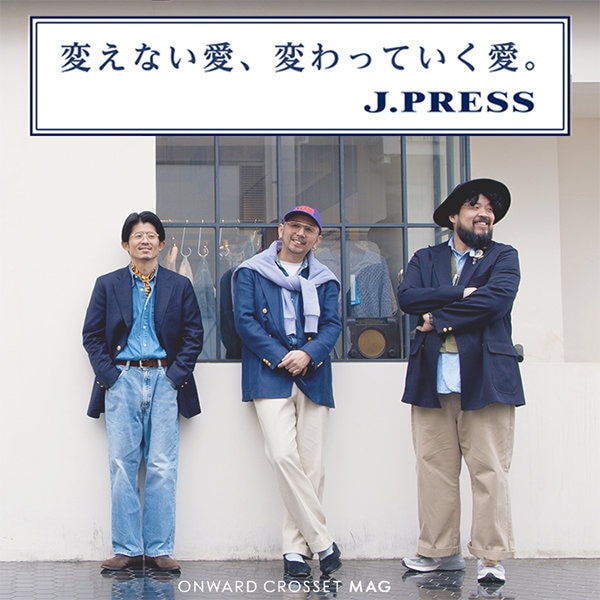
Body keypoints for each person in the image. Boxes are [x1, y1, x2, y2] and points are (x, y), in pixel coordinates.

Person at [397, 179, 525, 585]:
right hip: (431, 381)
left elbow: (495, 301)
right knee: (433, 469)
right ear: (454, 215)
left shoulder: (504, 256)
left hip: (487, 379)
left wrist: (438, 317)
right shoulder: (425, 257)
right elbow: (407, 298)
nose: (484, 213)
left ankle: (490, 556)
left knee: (489, 471)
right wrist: (462, 292)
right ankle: (438, 551)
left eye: (490, 208)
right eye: (475, 206)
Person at [82, 211, 204, 573]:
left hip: (165, 380)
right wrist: (111, 377)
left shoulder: (179, 285)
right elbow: (91, 335)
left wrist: (174, 376)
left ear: (161, 243)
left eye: (151, 235)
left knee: (162, 466)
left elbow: (194, 335)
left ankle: (159, 549)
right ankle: (127, 549)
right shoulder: (108, 285)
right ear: (126, 244)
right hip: (122, 380)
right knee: (122, 466)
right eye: (137, 236)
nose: (145, 241)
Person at [232, 205, 343, 581]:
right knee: (281, 455)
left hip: (314, 374)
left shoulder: (326, 279)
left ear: (318, 239)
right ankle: (323, 541)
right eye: (294, 226)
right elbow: (245, 322)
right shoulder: (250, 272)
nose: (300, 233)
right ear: (280, 230)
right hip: (270, 375)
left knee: (313, 467)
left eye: (309, 229)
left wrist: (308, 354)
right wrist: (282, 356)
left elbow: (332, 325)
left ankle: (295, 551)